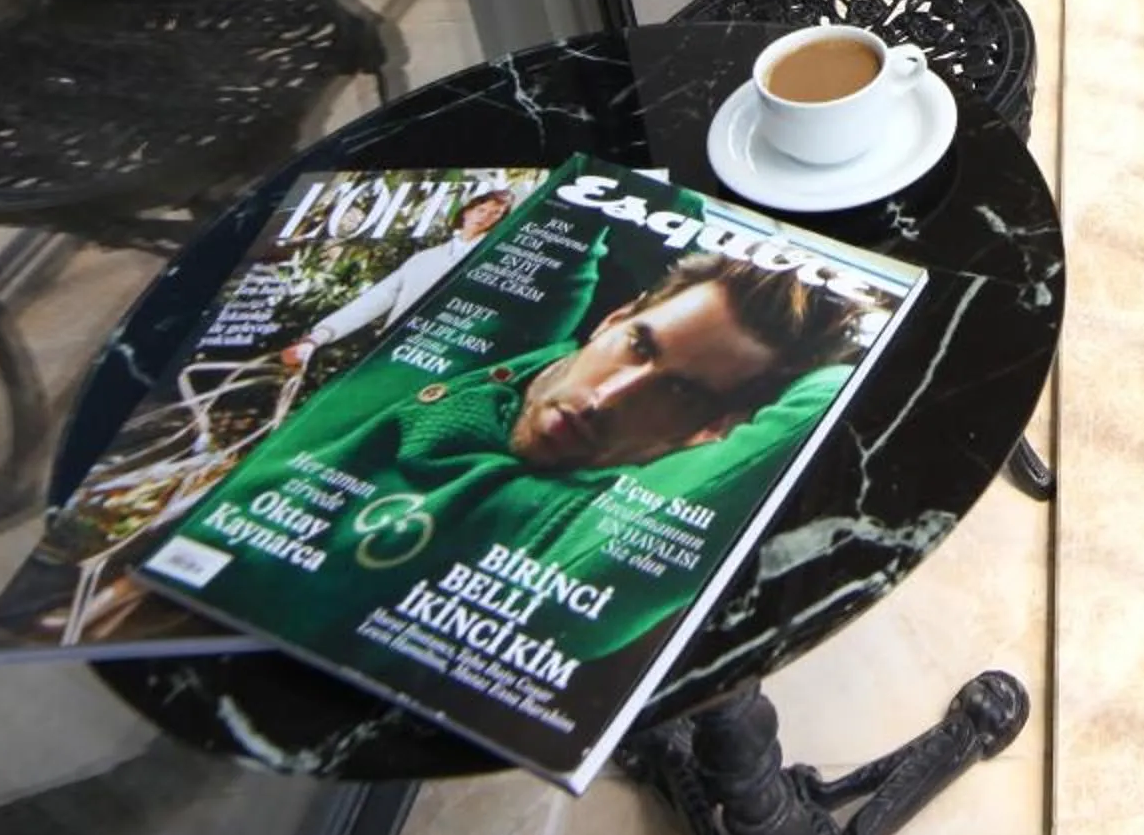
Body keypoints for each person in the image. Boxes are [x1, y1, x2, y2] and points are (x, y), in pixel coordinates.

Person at [177, 231, 876, 660]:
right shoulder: (497, 341)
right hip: (141, 581)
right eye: (637, 345)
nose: (606, 398)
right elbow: (576, 210)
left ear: (716, 430)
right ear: (613, 317)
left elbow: (810, 410)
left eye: (683, 393)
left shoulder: (591, 536)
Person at [281, 185, 514, 370]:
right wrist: (319, 337)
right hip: (390, 354)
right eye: (482, 210)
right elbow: (377, 298)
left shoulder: (496, 260)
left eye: (496, 214)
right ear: (467, 212)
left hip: (451, 362)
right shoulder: (424, 258)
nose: (485, 217)